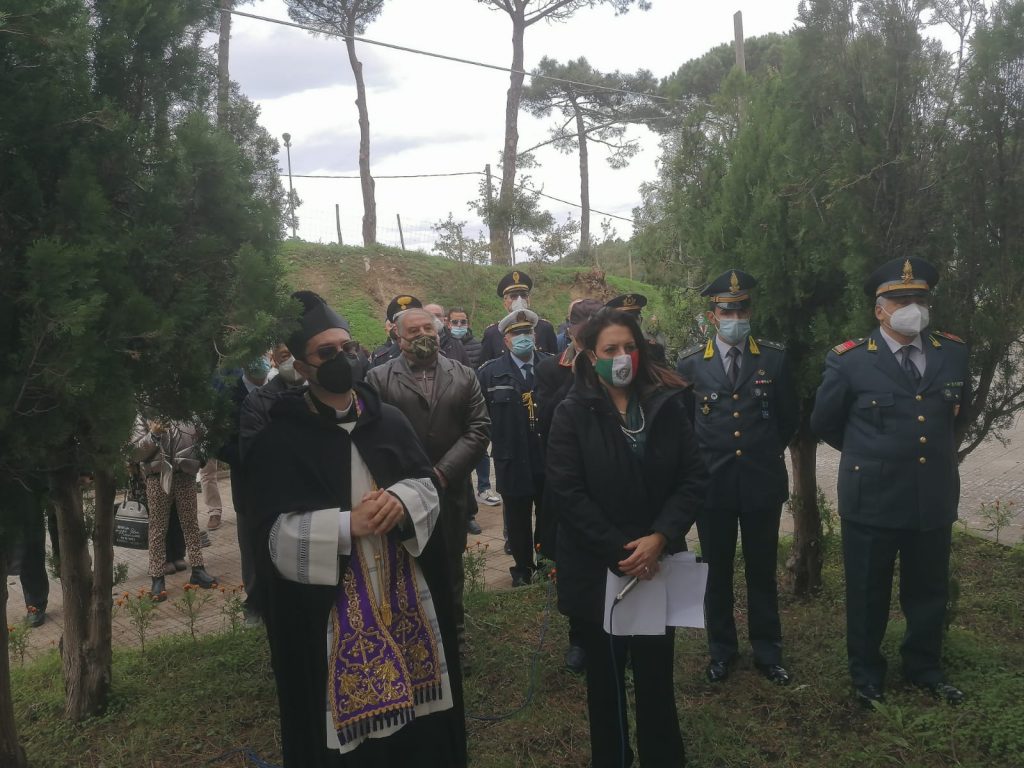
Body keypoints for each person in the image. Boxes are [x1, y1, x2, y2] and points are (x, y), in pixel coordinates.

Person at [243, 291, 465, 768]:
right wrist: (346, 524)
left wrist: (402, 499)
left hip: (404, 593)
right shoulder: (280, 440)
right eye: (326, 353)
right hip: (331, 608)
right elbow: (270, 538)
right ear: (302, 366)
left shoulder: (389, 421)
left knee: (419, 711)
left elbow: (427, 486)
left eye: (347, 347)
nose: (342, 359)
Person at [545, 308, 706, 768]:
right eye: (611, 349)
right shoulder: (571, 412)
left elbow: (693, 477)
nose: (622, 357)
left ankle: (663, 757)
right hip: (599, 569)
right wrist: (621, 551)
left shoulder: (666, 403)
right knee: (606, 680)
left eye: (630, 347)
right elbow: (566, 492)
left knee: (656, 676)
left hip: (658, 563)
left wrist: (661, 536)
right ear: (590, 355)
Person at [810, 257, 970, 707]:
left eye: (919, 298)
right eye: (901, 300)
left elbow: (958, 416)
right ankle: (866, 675)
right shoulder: (849, 361)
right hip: (872, 498)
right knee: (867, 591)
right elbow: (824, 422)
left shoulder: (952, 352)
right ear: (879, 309)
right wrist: (872, 454)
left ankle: (924, 668)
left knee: (929, 590)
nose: (912, 308)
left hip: (932, 494)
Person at [676, 269, 798, 686]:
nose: (735, 317)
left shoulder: (775, 359)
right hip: (714, 488)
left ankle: (768, 652)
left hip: (762, 483)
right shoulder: (691, 363)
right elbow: (684, 427)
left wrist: (762, 452)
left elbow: (788, 419)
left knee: (762, 571)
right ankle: (722, 651)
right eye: (727, 311)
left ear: (750, 311)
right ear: (712, 316)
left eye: (742, 309)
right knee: (717, 572)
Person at [365, 305, 490, 661]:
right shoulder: (378, 379)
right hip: (399, 495)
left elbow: (479, 429)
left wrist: (441, 474)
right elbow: (371, 435)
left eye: (428, 329)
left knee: (450, 567)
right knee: (401, 567)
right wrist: (404, 483)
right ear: (398, 338)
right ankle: (406, 639)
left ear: (438, 332)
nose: (423, 335)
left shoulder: (464, 375)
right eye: (414, 331)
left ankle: (455, 636)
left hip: (450, 491)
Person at [535, 297, 604, 672]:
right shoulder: (551, 368)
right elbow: (546, 418)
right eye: (583, 327)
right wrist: (579, 372)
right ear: (571, 329)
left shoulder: (614, 361)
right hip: (569, 480)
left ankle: (618, 630)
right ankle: (579, 638)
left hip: (608, 480)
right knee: (576, 563)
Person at [478, 308, 553, 586]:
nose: (523, 337)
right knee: (517, 519)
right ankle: (522, 569)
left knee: (549, 515)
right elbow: (480, 418)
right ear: (506, 340)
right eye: (516, 333)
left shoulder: (551, 367)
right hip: (511, 459)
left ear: (535, 335)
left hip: (548, 456)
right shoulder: (490, 373)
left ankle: (547, 565)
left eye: (527, 332)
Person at [132, 416, 217, 600]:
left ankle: (198, 569)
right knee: (157, 528)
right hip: (158, 477)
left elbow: (203, 437)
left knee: (191, 524)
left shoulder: (187, 409)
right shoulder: (144, 412)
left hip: (185, 475)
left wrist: (199, 457)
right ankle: (157, 577)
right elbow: (136, 453)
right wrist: (153, 434)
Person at [447, 306, 498, 533]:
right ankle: (463, 508)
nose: (459, 326)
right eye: (455, 322)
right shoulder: (444, 345)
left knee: (479, 448)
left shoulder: (478, 345)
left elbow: (483, 372)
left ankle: (484, 488)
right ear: (448, 323)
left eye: (463, 322)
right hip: (451, 409)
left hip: (475, 404)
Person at [479, 270, 559, 361]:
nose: (519, 300)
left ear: (529, 300)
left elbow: (554, 362)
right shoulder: (493, 333)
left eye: (523, 295)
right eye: (514, 296)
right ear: (505, 302)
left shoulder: (545, 328)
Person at [605, 293, 667, 364]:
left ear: (641, 320)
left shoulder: (655, 350)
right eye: (624, 319)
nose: (630, 323)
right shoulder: (606, 350)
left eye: (633, 318)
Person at [369, 295, 421, 370]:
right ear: (396, 329)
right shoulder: (381, 359)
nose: (410, 325)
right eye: (403, 322)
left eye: (413, 320)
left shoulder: (434, 352)